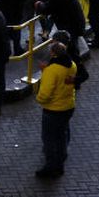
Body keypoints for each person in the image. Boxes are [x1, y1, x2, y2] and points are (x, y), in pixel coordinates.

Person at [35, 41, 78, 178]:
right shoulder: (72, 65)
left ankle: (50, 167)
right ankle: (60, 164)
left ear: (53, 53)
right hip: (68, 106)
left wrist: (39, 100)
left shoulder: (52, 70)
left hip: (53, 109)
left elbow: (46, 93)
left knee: (49, 139)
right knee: (62, 136)